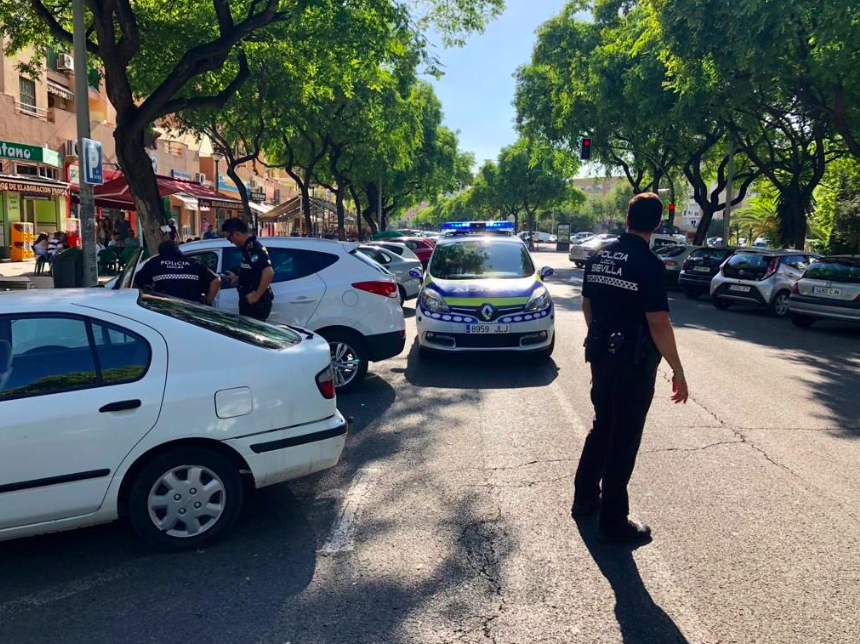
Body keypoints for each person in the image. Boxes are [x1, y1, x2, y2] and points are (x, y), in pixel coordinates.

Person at [572, 192, 689, 545]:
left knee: (602, 426)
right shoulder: (649, 264)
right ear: (657, 224)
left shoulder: (598, 256)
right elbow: (658, 323)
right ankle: (613, 521)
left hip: (601, 356)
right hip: (633, 364)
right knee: (623, 438)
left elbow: (587, 305)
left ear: (627, 218)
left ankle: (585, 498)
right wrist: (678, 369)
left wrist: (600, 339)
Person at [134, 240, 221, 305]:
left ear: (160, 252)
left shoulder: (154, 263)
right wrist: (207, 304)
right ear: (178, 250)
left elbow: (135, 282)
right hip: (193, 310)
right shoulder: (194, 263)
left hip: (166, 310)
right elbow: (216, 281)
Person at [221, 217, 274, 320]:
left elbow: (269, 273)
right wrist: (238, 278)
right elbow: (254, 272)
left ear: (236, 234)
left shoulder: (254, 249)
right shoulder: (247, 248)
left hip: (256, 305)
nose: (231, 242)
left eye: (229, 239)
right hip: (249, 301)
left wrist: (256, 295)